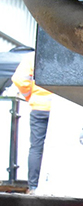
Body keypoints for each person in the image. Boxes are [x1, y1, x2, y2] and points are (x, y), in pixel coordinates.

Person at [12, 52, 52, 192]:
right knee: (57, 146)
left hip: (39, 107)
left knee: (36, 147)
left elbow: (19, 79)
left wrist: (31, 95)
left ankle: (34, 186)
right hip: (60, 109)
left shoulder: (33, 56)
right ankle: (53, 182)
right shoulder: (64, 52)